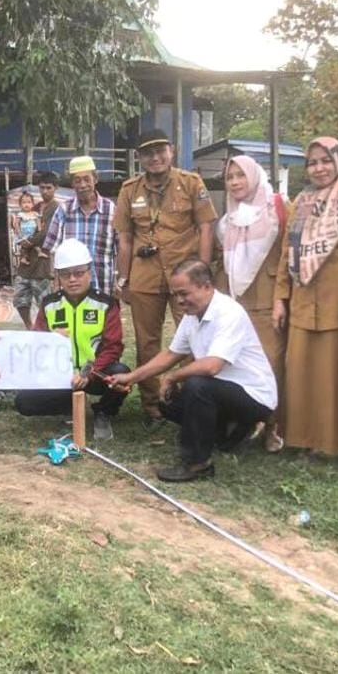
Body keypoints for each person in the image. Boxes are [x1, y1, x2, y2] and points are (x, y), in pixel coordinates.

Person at [273, 136, 338, 476]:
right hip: (305, 305)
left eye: (325, 161)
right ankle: (307, 439)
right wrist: (280, 297)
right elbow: (286, 255)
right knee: (303, 375)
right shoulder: (301, 204)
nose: (318, 168)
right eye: (312, 162)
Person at [109, 261, 276, 482]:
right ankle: (226, 432)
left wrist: (173, 376)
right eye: (175, 294)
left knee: (198, 386)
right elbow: (170, 355)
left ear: (206, 286)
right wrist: (131, 377)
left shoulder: (228, 313)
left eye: (183, 293)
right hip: (222, 391)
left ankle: (198, 464)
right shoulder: (191, 316)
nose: (179, 301)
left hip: (255, 396)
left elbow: (212, 366)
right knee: (167, 401)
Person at [114, 129, 218, 427]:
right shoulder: (129, 190)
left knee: (195, 339)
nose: (155, 157)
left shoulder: (190, 183)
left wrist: (203, 271)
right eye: (148, 153)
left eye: (161, 150)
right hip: (144, 276)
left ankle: (190, 400)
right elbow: (124, 239)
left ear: (171, 151)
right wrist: (123, 280)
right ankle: (153, 406)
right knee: (147, 342)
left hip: (184, 273)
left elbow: (207, 228)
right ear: (139, 158)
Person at [15, 238, 131, 440]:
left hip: (95, 374)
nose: (72, 279)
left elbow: (113, 348)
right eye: (66, 274)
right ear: (58, 276)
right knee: (24, 402)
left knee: (122, 374)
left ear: (89, 272)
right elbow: (37, 341)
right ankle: (70, 409)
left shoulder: (106, 304)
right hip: (62, 376)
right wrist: (50, 339)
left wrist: (88, 373)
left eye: (79, 273)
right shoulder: (49, 304)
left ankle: (103, 412)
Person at [216, 155, 287, 453]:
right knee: (236, 363)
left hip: (268, 299)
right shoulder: (229, 219)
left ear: (254, 176)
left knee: (271, 364)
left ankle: (274, 426)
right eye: (230, 177)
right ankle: (244, 422)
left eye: (240, 175)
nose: (234, 182)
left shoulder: (277, 210)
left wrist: (282, 297)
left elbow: (287, 256)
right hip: (236, 300)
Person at [42, 156, 117, 295]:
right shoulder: (64, 209)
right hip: (70, 290)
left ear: (95, 179)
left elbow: (119, 249)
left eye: (87, 179)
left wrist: (119, 281)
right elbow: (53, 250)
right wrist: (56, 280)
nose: (82, 185)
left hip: (102, 287)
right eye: (77, 180)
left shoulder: (111, 209)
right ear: (72, 184)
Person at [13, 172, 59, 329]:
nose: (45, 191)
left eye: (48, 188)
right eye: (42, 188)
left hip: (43, 260)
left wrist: (29, 242)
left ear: (55, 188)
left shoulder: (57, 208)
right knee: (20, 297)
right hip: (27, 260)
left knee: (44, 301)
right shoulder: (35, 207)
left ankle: (44, 329)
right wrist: (20, 237)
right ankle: (29, 325)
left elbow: (47, 232)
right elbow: (25, 224)